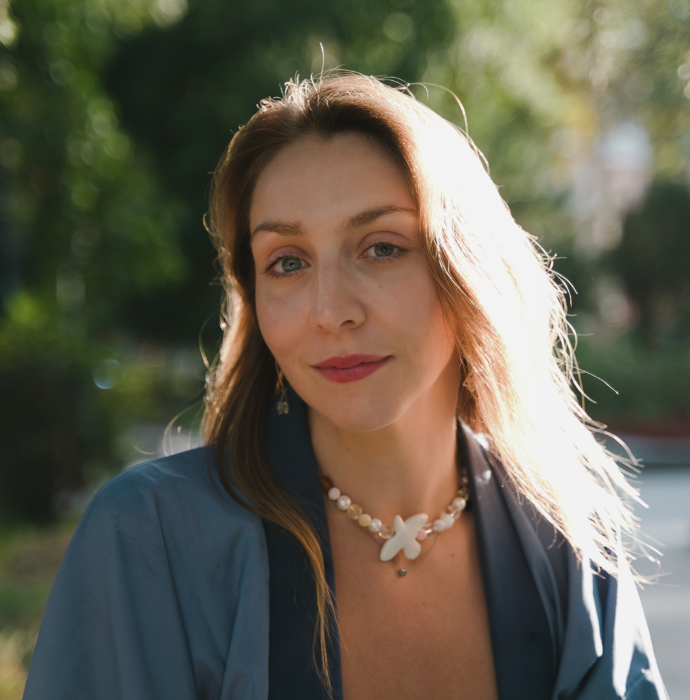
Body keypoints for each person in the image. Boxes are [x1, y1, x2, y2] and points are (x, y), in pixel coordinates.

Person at [23, 73, 668, 700]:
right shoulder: (149, 539)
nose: (330, 311)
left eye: (381, 247)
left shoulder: (568, 542)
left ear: (468, 270)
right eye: (287, 262)